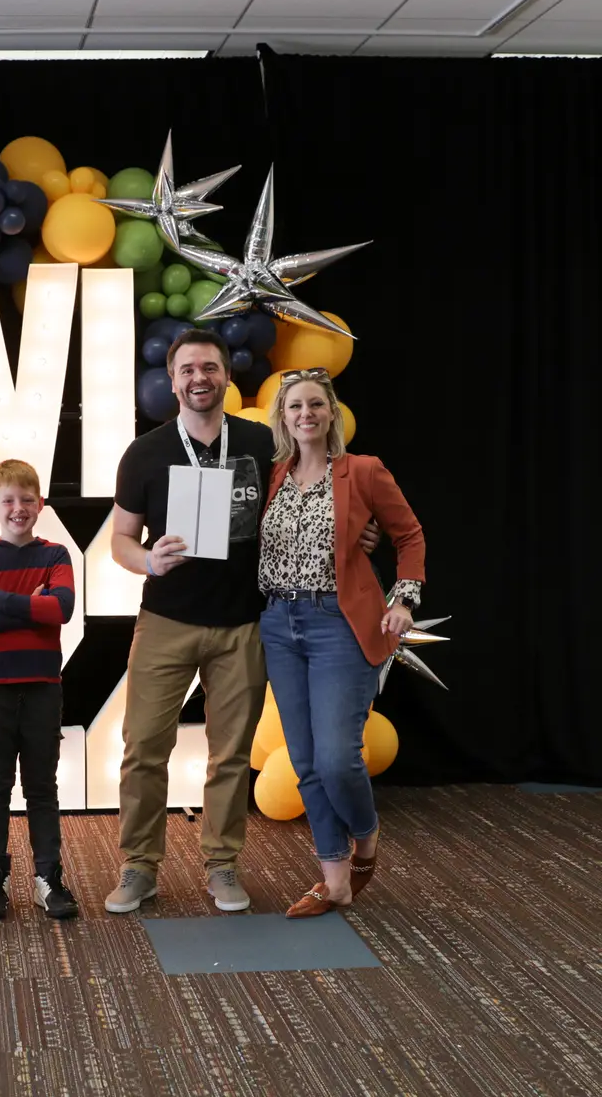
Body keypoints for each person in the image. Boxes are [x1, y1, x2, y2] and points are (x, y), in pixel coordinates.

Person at [106, 331, 380, 916]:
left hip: (246, 624)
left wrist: (360, 531)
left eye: (209, 367)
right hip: (166, 620)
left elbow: (320, 496)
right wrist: (147, 560)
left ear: (227, 378)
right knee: (142, 748)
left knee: (229, 754)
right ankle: (139, 867)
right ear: (173, 381)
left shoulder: (263, 443)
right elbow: (120, 541)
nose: (199, 378)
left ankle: (222, 864)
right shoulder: (146, 453)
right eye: (187, 370)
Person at [258, 367, 425, 918]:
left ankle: (367, 839)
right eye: (294, 407)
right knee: (304, 759)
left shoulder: (363, 470)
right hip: (280, 623)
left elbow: (409, 535)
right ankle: (334, 880)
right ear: (282, 417)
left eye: (315, 405)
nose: (305, 414)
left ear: (331, 413)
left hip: (339, 624)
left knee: (336, 759)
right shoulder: (273, 475)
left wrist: (403, 600)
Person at [0, 459, 79, 920]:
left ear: (41, 503)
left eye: (27, 499)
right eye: (8, 500)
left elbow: (62, 609)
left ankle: (49, 878)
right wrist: (34, 605)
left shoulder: (55, 555)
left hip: (44, 687)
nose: (18, 508)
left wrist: (2, 602)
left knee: (42, 788)